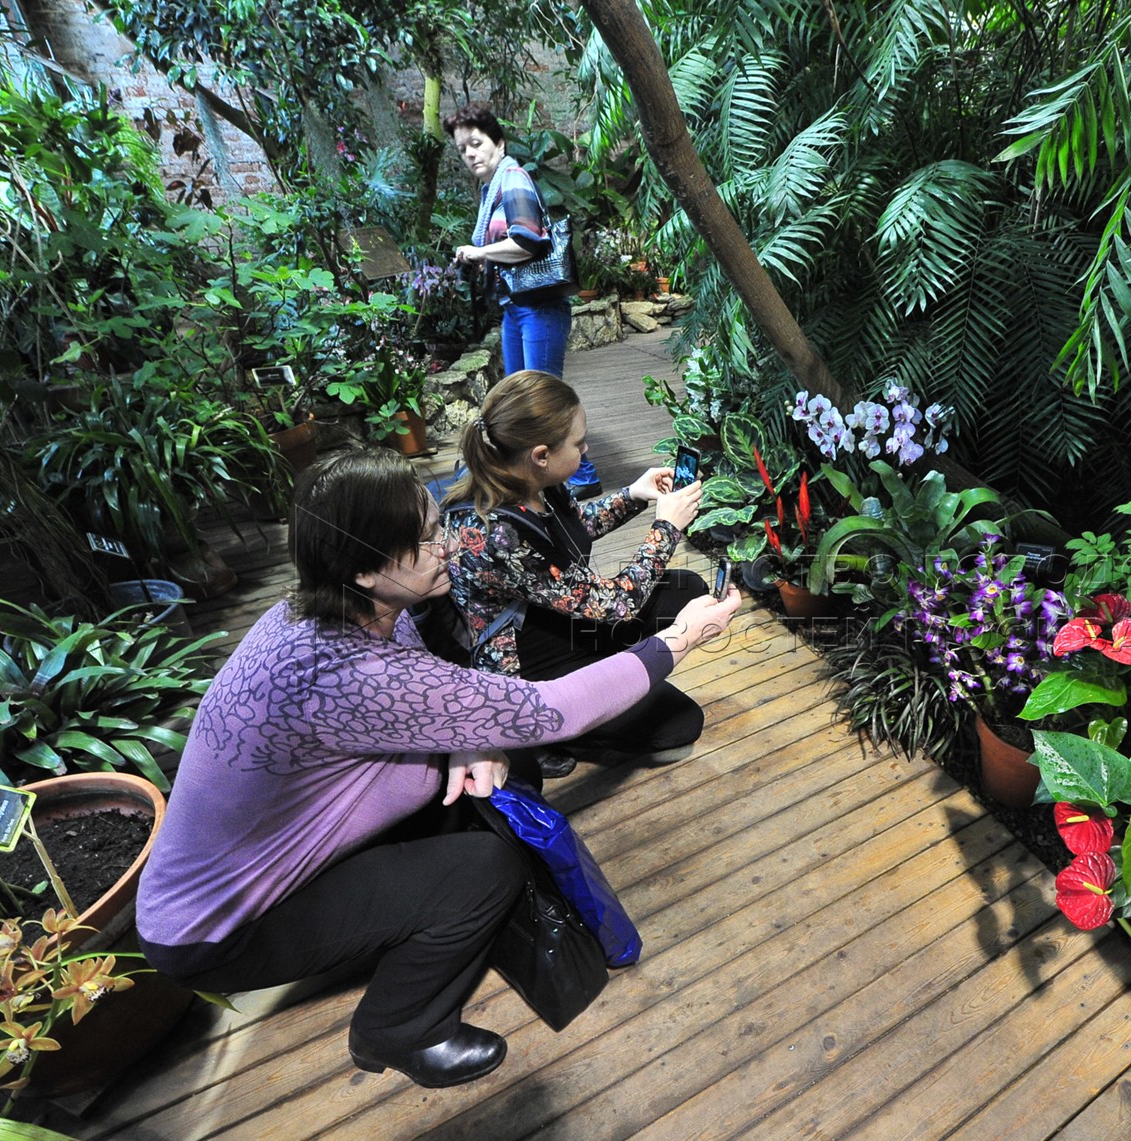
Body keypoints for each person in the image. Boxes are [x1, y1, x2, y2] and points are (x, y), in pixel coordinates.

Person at [135, 448, 740, 1089]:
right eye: (424, 541)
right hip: (221, 928)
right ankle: (400, 1027)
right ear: (364, 568)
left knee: (502, 772)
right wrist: (679, 639)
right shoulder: (343, 670)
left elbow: (425, 684)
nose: (445, 546)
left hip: (274, 854)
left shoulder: (334, 609)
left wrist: (463, 741)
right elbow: (553, 709)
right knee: (485, 871)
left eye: (436, 525)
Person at [442, 370, 710, 767]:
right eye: (578, 442)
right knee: (678, 723)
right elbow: (616, 605)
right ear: (541, 454)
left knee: (688, 590)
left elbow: (573, 527)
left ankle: (607, 667)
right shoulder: (497, 533)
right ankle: (545, 734)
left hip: (560, 616)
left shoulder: (527, 477)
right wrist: (667, 528)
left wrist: (635, 494)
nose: (586, 448)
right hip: (529, 659)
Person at [443, 101, 600, 498]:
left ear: (498, 142)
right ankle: (526, 476)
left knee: (544, 401)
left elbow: (529, 240)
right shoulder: (491, 189)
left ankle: (582, 477)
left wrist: (480, 251)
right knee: (518, 400)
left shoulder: (512, 179)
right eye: (462, 149)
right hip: (516, 307)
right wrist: (480, 256)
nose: (470, 154)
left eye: (476, 143)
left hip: (539, 307)